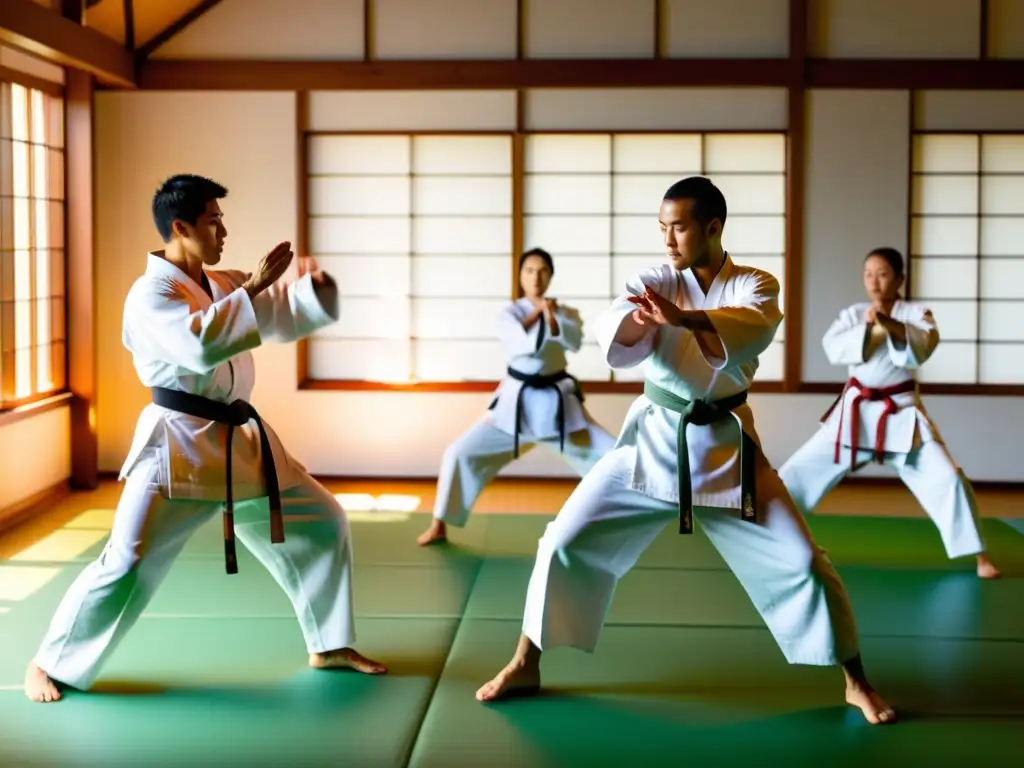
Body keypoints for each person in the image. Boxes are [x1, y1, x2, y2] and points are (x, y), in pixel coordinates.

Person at [473, 177, 896, 726]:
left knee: (805, 563)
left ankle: (855, 680)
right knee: (561, 541)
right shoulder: (656, 278)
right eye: (662, 228)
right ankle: (526, 661)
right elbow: (616, 324)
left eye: (679, 227)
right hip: (650, 444)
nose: (668, 240)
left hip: (727, 450)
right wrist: (641, 319)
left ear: (712, 227)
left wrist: (686, 320)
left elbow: (751, 329)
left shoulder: (756, 284)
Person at [25, 174, 386, 703]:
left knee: (324, 520)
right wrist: (252, 289)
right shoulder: (150, 294)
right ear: (181, 227)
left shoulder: (222, 282)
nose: (224, 230)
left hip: (240, 444)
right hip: (178, 449)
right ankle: (48, 663)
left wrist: (315, 286)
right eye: (214, 220)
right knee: (125, 563)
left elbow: (280, 316)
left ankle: (328, 644)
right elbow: (199, 345)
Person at [778, 247, 1000, 580]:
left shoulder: (916, 312)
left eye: (882, 274)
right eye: (868, 274)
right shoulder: (854, 314)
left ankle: (980, 556)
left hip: (901, 415)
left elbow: (921, 348)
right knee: (796, 472)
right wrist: (874, 328)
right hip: (854, 415)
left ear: (899, 278)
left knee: (948, 479)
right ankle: (774, 541)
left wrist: (890, 325)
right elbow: (833, 348)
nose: (874, 282)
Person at [417, 248, 617, 546]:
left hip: (558, 408)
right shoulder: (509, 312)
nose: (536, 277)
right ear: (521, 276)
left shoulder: (567, 313)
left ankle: (621, 522)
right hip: (514, 406)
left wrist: (551, 314)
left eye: (542, 271)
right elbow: (521, 344)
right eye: (529, 270)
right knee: (459, 453)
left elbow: (572, 342)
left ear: (550, 275)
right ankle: (439, 523)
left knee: (612, 456)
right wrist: (539, 311)